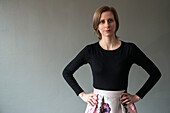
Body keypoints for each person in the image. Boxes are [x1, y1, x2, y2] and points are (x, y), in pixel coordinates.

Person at [62, 6, 161, 113]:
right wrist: (82, 95)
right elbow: (67, 72)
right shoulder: (90, 51)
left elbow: (155, 73)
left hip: (122, 106)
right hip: (97, 107)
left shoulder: (129, 49)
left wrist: (137, 96)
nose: (107, 25)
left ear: (116, 23)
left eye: (110, 20)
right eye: (102, 22)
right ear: (96, 26)